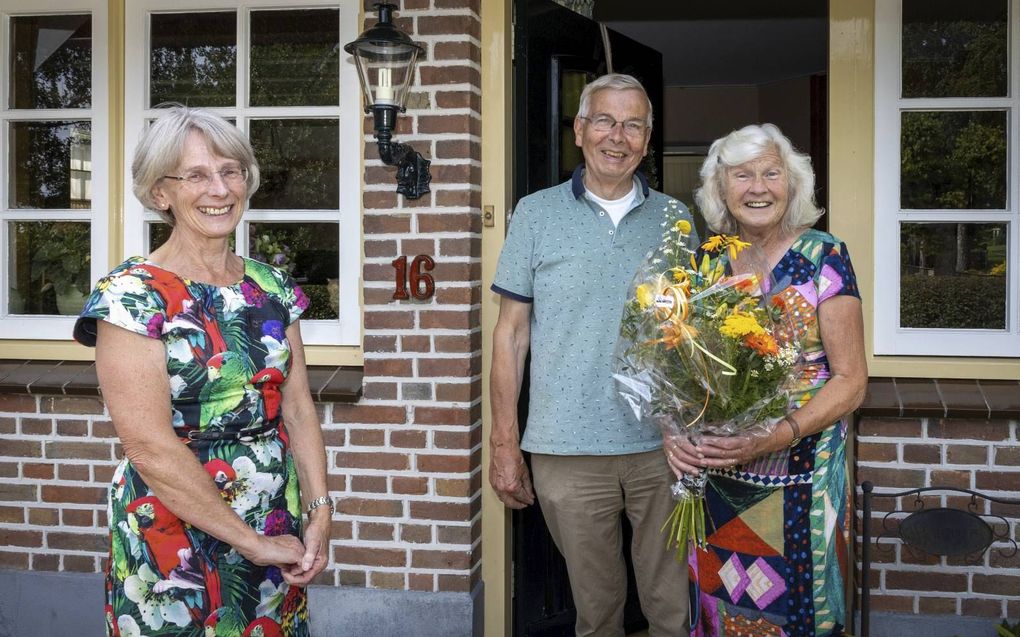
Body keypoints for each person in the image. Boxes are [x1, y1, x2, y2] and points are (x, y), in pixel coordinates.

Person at [73, 105, 330, 637]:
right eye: (196, 174)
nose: (219, 188)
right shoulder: (131, 296)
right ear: (160, 193)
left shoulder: (272, 286)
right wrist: (252, 544)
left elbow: (300, 407)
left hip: (271, 517)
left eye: (230, 170)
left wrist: (319, 507)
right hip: (172, 528)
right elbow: (149, 447)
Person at [489, 73, 697, 637]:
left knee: (672, 610)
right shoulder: (535, 214)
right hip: (565, 447)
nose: (618, 136)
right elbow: (510, 334)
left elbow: (694, 334)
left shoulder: (676, 219)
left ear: (648, 140)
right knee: (597, 612)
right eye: (604, 120)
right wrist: (505, 443)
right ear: (579, 130)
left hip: (665, 448)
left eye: (634, 125)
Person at [666, 124, 867, 636]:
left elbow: (850, 380)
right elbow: (681, 372)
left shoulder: (825, 256)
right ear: (721, 190)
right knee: (719, 606)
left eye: (771, 173)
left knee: (801, 613)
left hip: (802, 477)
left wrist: (776, 434)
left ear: (792, 184)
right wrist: (673, 433)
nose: (758, 187)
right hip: (717, 481)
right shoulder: (707, 263)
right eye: (742, 175)